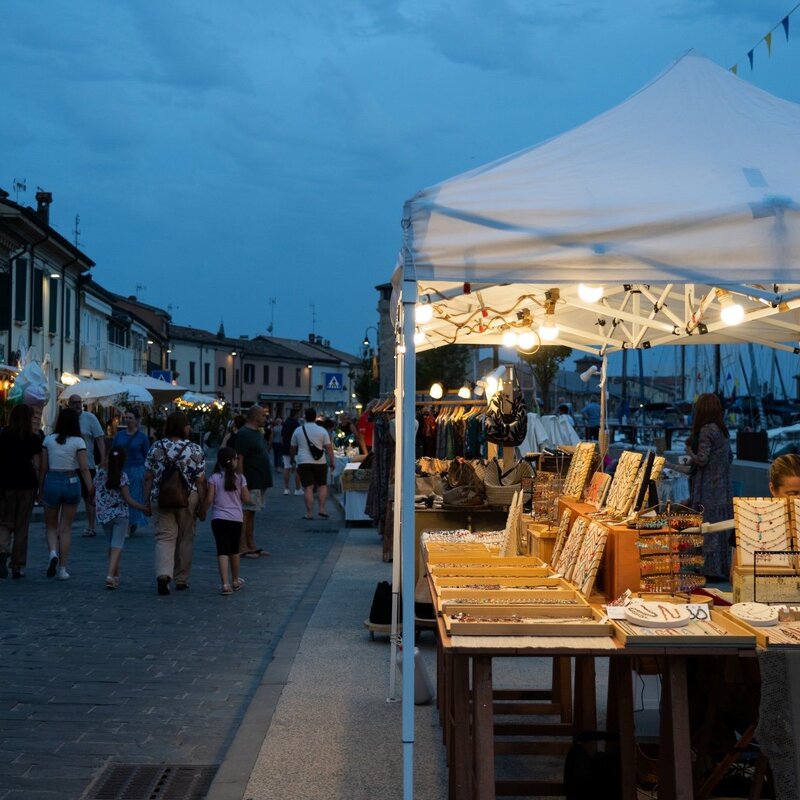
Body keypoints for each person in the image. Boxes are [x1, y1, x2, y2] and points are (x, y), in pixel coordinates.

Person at [143, 411, 206, 595]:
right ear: (184, 427)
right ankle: (181, 578)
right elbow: (201, 480)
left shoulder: (155, 447)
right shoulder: (194, 449)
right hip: (187, 498)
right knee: (186, 537)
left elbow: (148, 477)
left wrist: (146, 500)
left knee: (164, 537)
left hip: (160, 497)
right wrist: (202, 504)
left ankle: (163, 575)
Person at [39, 407, 94, 580]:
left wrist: (40, 489)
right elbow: (84, 468)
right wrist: (91, 490)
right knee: (66, 529)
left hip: (52, 480)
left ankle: (53, 553)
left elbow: (43, 467)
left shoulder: (48, 440)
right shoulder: (78, 442)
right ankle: (63, 569)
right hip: (72, 481)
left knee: (51, 526)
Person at [685, 392, 733, 580]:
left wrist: (689, 450)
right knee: (720, 529)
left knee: (707, 528)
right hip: (723, 487)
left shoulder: (706, 430)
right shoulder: (722, 430)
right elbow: (729, 457)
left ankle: (707, 568)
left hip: (709, 489)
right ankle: (720, 567)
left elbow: (702, 459)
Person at [94, 446, 150, 589]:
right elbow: (128, 499)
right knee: (117, 545)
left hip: (104, 515)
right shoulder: (122, 476)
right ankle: (109, 575)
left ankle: (116, 576)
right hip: (120, 514)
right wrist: (143, 508)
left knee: (112, 545)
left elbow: (91, 491)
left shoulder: (100, 474)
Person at [0, 404, 42, 579]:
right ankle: (17, 566)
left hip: (5, 482)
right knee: (22, 526)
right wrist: (40, 487)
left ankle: (2, 552)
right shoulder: (33, 438)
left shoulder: (3, 435)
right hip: (26, 482)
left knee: (3, 522)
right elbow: (38, 465)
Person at [202, 446, 250, 595]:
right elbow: (247, 499)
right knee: (234, 549)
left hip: (218, 518)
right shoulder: (240, 478)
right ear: (234, 461)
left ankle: (225, 583)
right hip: (236, 518)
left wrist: (202, 511)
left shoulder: (215, 478)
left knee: (222, 550)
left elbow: (209, 498)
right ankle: (235, 580)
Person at [234, 405, 271, 559]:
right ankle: (242, 545)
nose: (265, 418)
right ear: (255, 417)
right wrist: (242, 482)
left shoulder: (257, 433)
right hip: (250, 479)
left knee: (252, 512)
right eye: (263, 415)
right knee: (246, 512)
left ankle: (251, 543)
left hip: (259, 480)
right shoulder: (244, 434)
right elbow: (239, 459)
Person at [67, 394, 106, 538]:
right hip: (69, 464)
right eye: (74, 403)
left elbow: (100, 438)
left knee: (89, 496)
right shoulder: (65, 418)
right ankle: (65, 526)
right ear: (69, 404)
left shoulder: (90, 418)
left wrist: (102, 458)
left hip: (87, 463)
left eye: (79, 402)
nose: (77, 405)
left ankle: (91, 526)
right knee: (68, 496)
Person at [290, 407, 334, 520]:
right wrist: (332, 461)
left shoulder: (298, 430)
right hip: (320, 461)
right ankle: (322, 509)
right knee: (322, 485)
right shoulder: (322, 430)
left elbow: (292, 447)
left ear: (305, 417)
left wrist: (292, 459)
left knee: (308, 488)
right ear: (315, 417)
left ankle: (309, 513)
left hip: (304, 461)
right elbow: (329, 447)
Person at [111, 407, 150, 535]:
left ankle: (130, 524)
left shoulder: (142, 437)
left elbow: (147, 455)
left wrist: (146, 472)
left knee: (133, 497)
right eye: (126, 417)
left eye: (130, 418)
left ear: (137, 420)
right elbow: (113, 451)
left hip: (137, 469)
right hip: (121, 469)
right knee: (122, 498)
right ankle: (127, 523)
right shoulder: (119, 435)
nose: (127, 420)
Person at [281, 407, 303, 496]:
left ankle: (286, 489)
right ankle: (297, 489)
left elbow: (282, 436)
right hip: (296, 448)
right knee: (298, 469)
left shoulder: (285, 423)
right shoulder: (297, 424)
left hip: (286, 447)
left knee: (287, 468)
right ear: (296, 415)